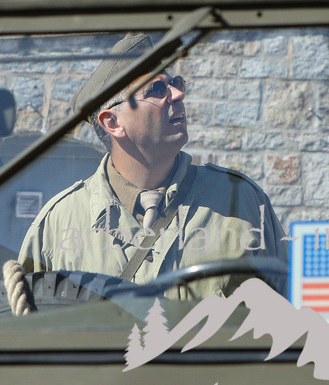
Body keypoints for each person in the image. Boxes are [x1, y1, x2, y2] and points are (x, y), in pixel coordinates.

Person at [18, 34, 287, 300]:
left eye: (176, 84)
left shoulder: (240, 202)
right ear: (112, 122)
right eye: (157, 90)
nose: (179, 94)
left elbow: (288, 314)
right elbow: (25, 328)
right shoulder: (57, 224)